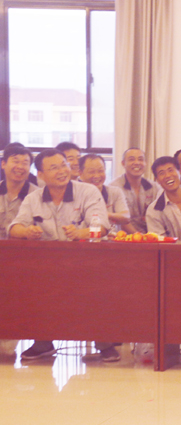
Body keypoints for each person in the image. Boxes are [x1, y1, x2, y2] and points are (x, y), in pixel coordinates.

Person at [8, 148, 110, 361]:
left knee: (98, 291)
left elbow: (101, 227)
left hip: (87, 263)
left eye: (64, 165)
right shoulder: (33, 198)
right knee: (33, 289)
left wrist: (81, 233)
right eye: (54, 168)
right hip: (47, 266)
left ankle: (105, 343)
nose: (62, 171)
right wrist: (27, 232)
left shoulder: (88, 191)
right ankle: (43, 343)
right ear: (41, 175)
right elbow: (14, 227)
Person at [109, 148, 161, 233]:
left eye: (140, 159)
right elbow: (121, 220)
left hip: (151, 235)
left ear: (145, 163)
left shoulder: (154, 187)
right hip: (122, 237)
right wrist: (139, 236)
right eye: (131, 159)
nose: (137, 163)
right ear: (123, 163)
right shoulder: (114, 187)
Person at [79, 154, 131, 236]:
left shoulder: (114, 192)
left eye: (100, 171)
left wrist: (102, 214)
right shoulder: (76, 194)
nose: (97, 176)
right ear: (80, 173)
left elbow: (126, 217)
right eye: (91, 172)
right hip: (83, 239)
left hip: (111, 240)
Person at [0, 143, 38, 239]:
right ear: (3, 164)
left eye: (25, 163)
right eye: (15, 161)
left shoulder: (38, 195)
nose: (20, 167)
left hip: (24, 246)